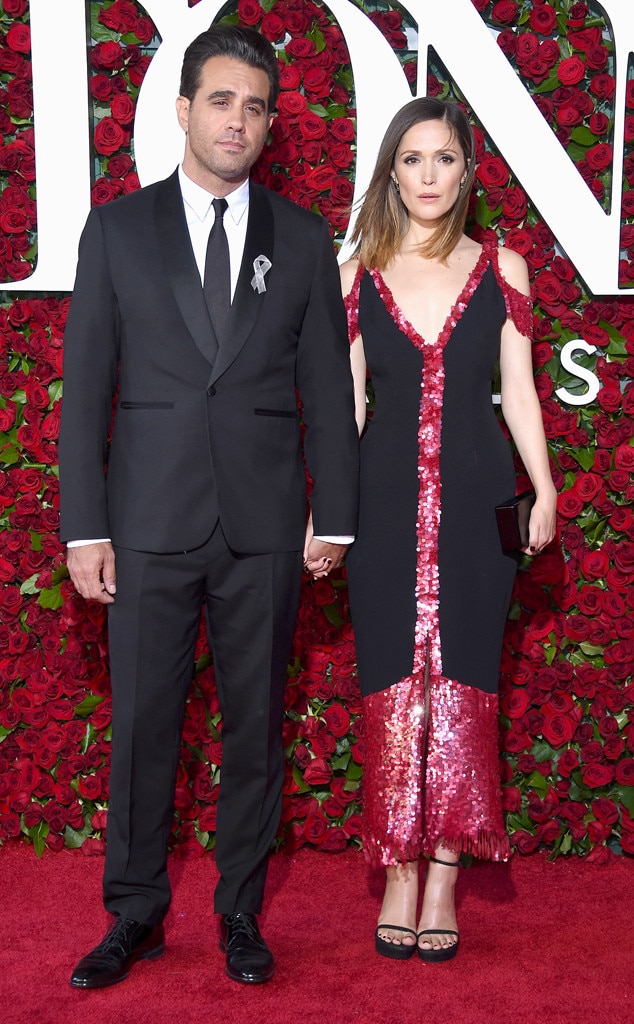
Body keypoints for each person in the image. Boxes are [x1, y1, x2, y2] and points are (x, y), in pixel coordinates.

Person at [59, 24, 358, 988]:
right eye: (222, 100)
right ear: (184, 110)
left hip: (266, 527)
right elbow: (86, 387)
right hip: (145, 523)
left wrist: (337, 514)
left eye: (257, 107)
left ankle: (238, 913)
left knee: (255, 726)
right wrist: (85, 525)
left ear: (271, 126)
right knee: (145, 726)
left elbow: (325, 387)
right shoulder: (117, 229)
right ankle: (136, 914)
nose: (239, 120)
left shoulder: (303, 239)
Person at [340, 97, 556, 962]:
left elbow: (522, 391)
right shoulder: (354, 271)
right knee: (392, 680)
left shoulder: (504, 269)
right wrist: (324, 517)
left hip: (476, 502)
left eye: (444, 160)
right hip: (381, 509)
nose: (428, 175)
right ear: (392, 173)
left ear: (466, 172)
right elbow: (348, 405)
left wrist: (544, 490)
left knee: (464, 681)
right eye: (412, 160)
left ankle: (442, 879)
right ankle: (396, 867)